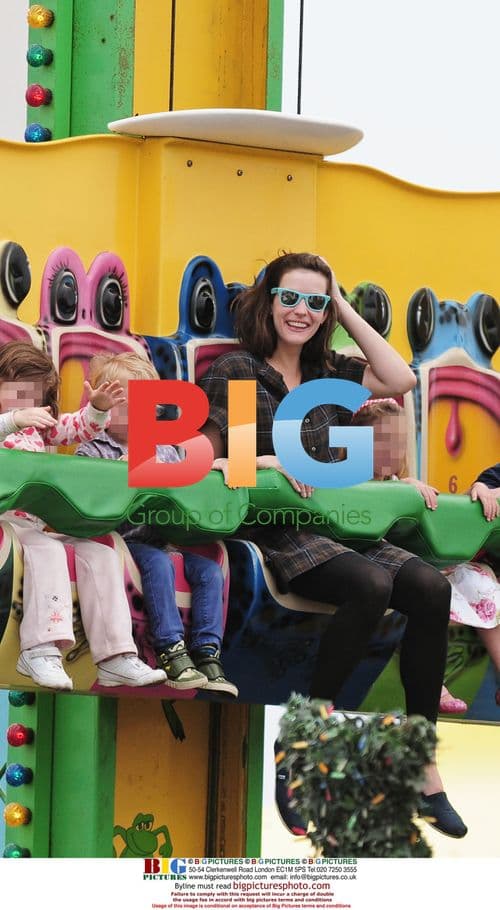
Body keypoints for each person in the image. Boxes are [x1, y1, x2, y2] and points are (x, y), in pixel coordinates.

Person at [199, 251, 466, 837]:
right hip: (273, 526)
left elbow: (400, 379)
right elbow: (224, 460)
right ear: (268, 299)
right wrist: (267, 459)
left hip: (334, 519)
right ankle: (303, 748)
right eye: (290, 297)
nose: (302, 311)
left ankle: (418, 762)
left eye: (316, 302)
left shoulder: (329, 372)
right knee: (370, 584)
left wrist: (343, 307)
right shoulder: (238, 369)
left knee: (426, 586)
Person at [0, 341, 167, 691]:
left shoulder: (37, 427)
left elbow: (75, 429)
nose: (26, 401)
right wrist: (14, 419)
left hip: (36, 521)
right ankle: (40, 648)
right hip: (8, 522)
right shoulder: (13, 423)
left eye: (34, 395)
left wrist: (97, 410)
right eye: (17, 391)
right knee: (47, 550)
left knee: (100, 548)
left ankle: (115, 655)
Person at [76, 351, 238, 697]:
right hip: (125, 542)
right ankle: (170, 648)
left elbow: (191, 478)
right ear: (103, 407)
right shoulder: (92, 452)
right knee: (158, 563)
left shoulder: (166, 449)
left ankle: (208, 653)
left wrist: (218, 465)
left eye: (143, 406)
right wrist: (117, 474)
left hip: (164, 537)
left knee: (208, 570)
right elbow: (86, 501)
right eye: (122, 405)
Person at [352, 400, 500, 712]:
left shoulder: (402, 483)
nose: (390, 451)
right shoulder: (352, 483)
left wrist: (411, 487)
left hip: (408, 560)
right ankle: (433, 684)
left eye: (397, 443)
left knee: (477, 579)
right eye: (381, 441)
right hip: (374, 563)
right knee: (417, 591)